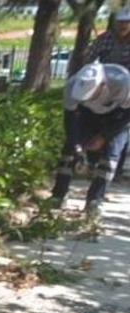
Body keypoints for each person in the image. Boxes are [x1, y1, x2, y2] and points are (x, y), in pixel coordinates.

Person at [50, 60, 130, 219]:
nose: (89, 97)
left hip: (118, 115)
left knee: (110, 157)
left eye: (91, 94)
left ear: (102, 84)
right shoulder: (72, 86)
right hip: (87, 115)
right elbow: (70, 119)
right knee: (69, 152)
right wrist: (77, 145)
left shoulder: (123, 82)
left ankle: (95, 201)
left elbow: (126, 117)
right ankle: (58, 195)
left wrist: (104, 136)